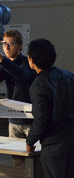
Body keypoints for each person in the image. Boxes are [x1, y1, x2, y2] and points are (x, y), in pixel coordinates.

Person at [26, 38, 74, 178]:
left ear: (31, 60)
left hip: (54, 144)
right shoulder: (69, 76)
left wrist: (30, 142)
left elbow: (40, 120)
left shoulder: (38, 85)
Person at [0, 30, 36, 141]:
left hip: (30, 118)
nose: (7, 47)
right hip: (13, 118)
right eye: (4, 44)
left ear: (20, 46)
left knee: (36, 153)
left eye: (11, 44)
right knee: (16, 155)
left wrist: (0, 57)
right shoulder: (6, 63)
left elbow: (20, 74)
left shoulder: (26, 62)